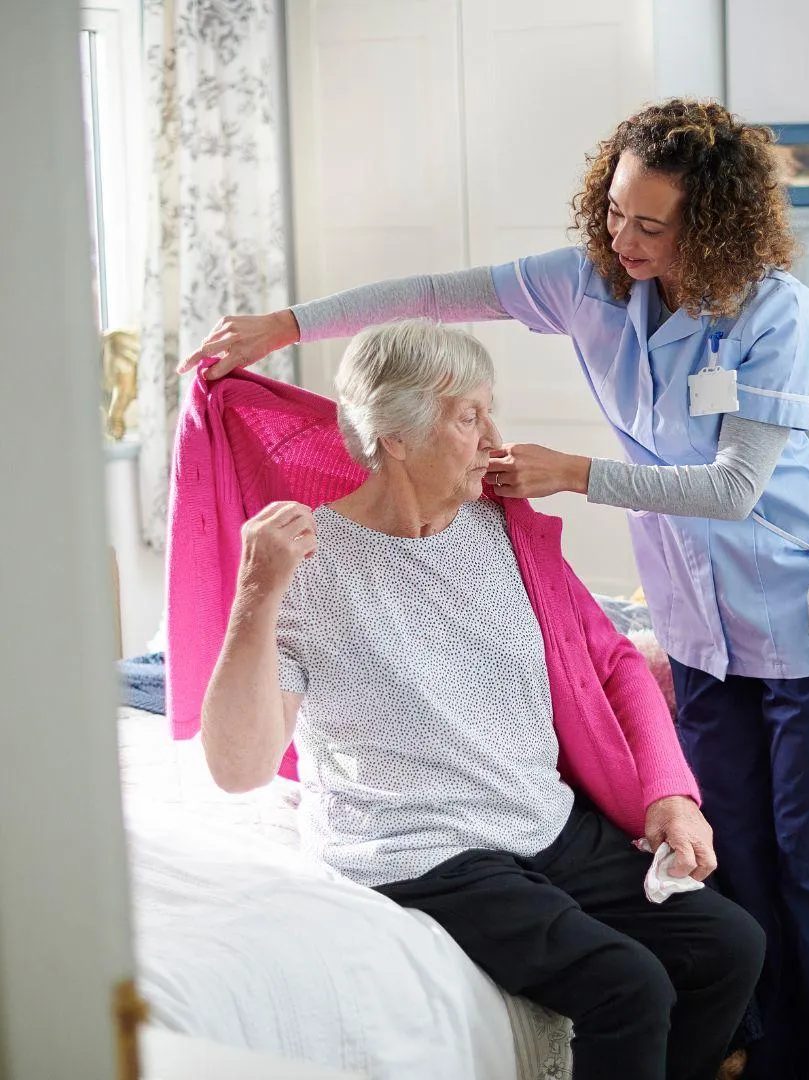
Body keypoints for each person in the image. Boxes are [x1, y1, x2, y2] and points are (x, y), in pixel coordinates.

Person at [185, 99, 809, 1080]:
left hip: (807, 625)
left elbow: (735, 489)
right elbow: (432, 294)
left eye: (653, 225)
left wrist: (575, 472)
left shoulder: (773, 313)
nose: (623, 239)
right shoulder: (588, 286)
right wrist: (285, 324)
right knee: (744, 879)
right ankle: (758, 1062)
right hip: (698, 633)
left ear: (712, 223)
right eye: (613, 212)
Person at [201, 318, 764, 1080]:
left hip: (536, 818)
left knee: (729, 945)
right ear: (395, 436)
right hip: (419, 845)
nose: (494, 436)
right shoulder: (311, 566)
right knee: (627, 987)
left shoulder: (504, 527)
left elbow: (613, 663)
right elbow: (239, 769)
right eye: (469, 416)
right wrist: (256, 593)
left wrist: (671, 791)